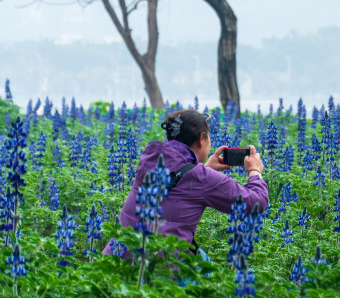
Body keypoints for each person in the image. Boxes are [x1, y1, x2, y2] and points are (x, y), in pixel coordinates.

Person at [103, 109, 268, 258]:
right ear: (202, 139)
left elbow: (177, 184)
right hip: (157, 266)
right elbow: (255, 203)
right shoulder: (202, 177)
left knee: (200, 254)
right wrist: (255, 171)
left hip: (117, 256)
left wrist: (205, 168)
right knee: (204, 263)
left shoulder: (149, 159)